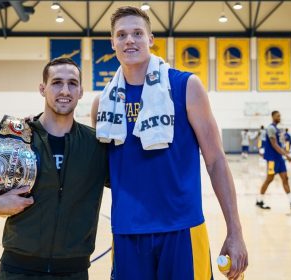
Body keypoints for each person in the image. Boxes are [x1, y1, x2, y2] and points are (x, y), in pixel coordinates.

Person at [92, 6, 247, 280]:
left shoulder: (186, 86)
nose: (130, 40)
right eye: (122, 34)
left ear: (150, 39)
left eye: (137, 33)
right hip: (128, 233)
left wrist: (235, 232)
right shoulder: (102, 103)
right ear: (112, 42)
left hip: (183, 229)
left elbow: (215, 160)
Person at [0, 58, 109, 280]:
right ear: (42, 89)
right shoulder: (16, 138)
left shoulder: (96, 145)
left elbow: (133, 180)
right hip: (18, 269)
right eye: (56, 83)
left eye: (72, 83)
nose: (65, 90)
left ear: (81, 91)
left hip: (73, 271)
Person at [256, 111, 291, 211]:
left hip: (279, 159)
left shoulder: (277, 129)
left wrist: (284, 154)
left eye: (280, 116)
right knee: (269, 179)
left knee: (285, 178)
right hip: (272, 159)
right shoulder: (270, 128)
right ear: (272, 116)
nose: (279, 117)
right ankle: (259, 201)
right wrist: (286, 155)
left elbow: (280, 143)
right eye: (278, 116)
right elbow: (274, 144)